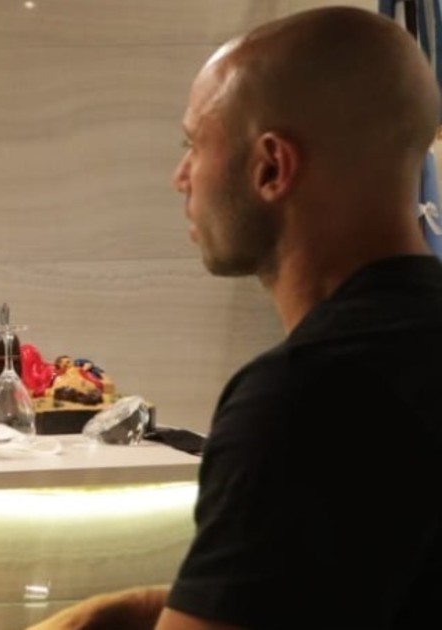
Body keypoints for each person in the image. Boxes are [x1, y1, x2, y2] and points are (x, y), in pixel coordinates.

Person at [30, 7, 442, 630]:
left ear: (271, 167)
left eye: (194, 145)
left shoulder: (300, 399)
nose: (180, 178)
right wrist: (125, 612)